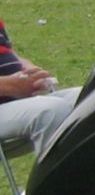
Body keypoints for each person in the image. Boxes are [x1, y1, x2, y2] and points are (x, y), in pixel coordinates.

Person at [0, 18, 79, 162]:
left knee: (89, 98)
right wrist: (11, 85)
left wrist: (31, 72)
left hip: (12, 102)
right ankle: (61, 183)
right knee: (51, 111)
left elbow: (8, 52)